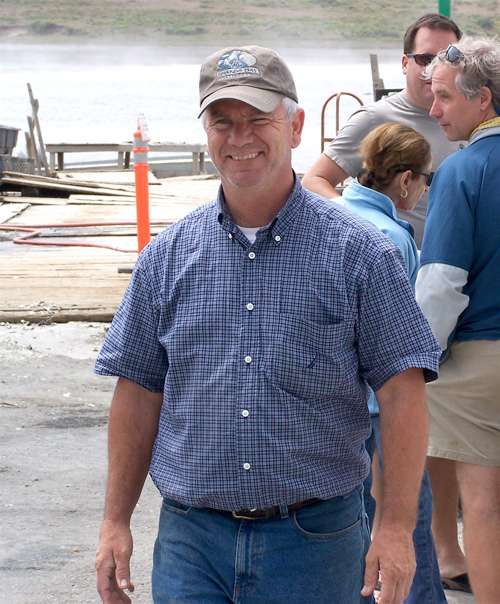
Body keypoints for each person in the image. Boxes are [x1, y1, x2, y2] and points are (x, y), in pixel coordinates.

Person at [94, 45, 441, 604]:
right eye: (222, 122)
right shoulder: (166, 257)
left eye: (258, 118)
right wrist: (115, 522)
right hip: (190, 540)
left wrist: (396, 529)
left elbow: (403, 395)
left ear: (296, 127)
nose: (240, 137)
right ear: (205, 132)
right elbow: (136, 392)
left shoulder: (360, 254)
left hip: (317, 543)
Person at [337, 122, 447, 604]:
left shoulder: (337, 216)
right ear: (405, 180)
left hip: (338, 400)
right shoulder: (390, 239)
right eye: (426, 179)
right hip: (378, 403)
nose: (426, 189)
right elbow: (399, 338)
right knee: (410, 512)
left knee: (353, 515)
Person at [416, 37, 500, 604]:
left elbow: (441, 283)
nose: (434, 109)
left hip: (479, 364)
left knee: (485, 507)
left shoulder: (463, 170)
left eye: (444, 96)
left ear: (483, 99)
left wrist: (416, 357)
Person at [302, 13, 462, 246]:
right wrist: (363, 225)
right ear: (405, 63)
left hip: (456, 263)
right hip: (394, 259)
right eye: (426, 59)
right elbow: (314, 180)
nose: (436, 70)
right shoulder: (374, 119)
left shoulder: (471, 120)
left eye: (447, 59)